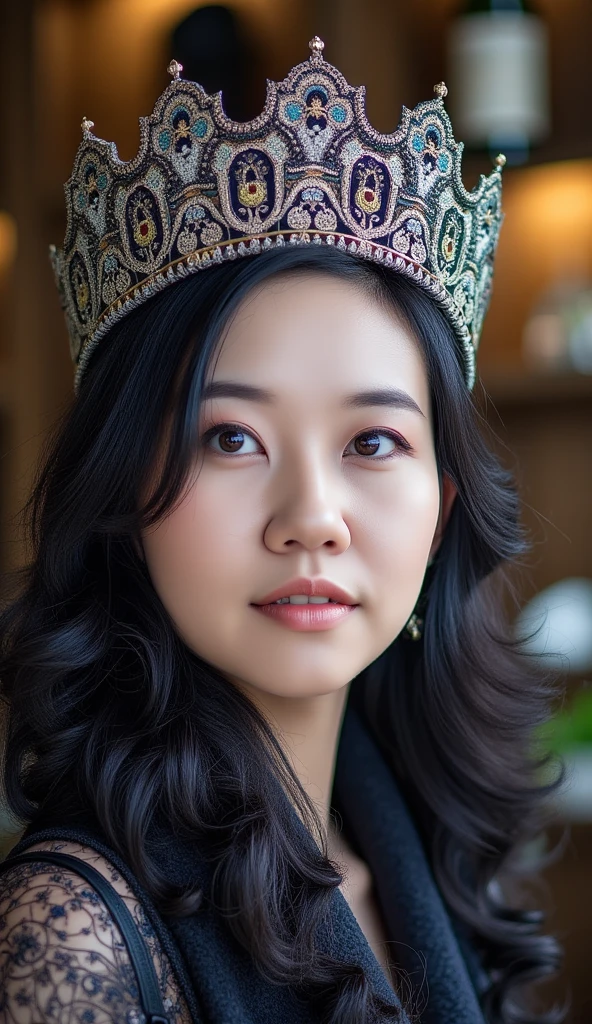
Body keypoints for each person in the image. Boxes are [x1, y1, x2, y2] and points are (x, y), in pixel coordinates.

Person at [0, 37, 564, 1024]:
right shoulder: (72, 931)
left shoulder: (415, 841)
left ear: (442, 508)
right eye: (230, 436)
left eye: (374, 441)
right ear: (127, 494)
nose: (310, 517)